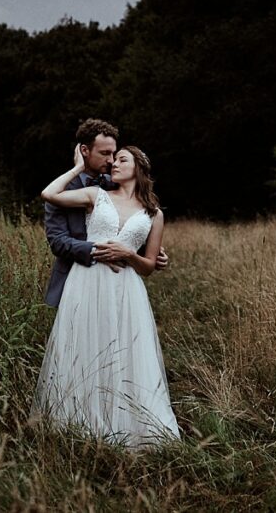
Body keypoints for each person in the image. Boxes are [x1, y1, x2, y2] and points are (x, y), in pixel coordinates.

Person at [33, 142, 179, 447]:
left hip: (126, 288)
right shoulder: (96, 196)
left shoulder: (154, 214)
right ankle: (77, 423)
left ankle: (126, 423)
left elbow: (149, 266)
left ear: (138, 168)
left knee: (123, 349)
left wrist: (129, 254)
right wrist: (78, 168)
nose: (114, 164)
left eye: (122, 160)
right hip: (86, 281)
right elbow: (49, 194)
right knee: (85, 344)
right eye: (113, 160)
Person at [42, 119, 166, 307]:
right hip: (75, 280)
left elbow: (127, 226)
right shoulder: (63, 189)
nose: (111, 161)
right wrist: (101, 252)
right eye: (105, 153)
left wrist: (152, 253)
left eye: (114, 154)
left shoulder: (116, 182)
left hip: (119, 282)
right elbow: (58, 242)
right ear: (85, 151)